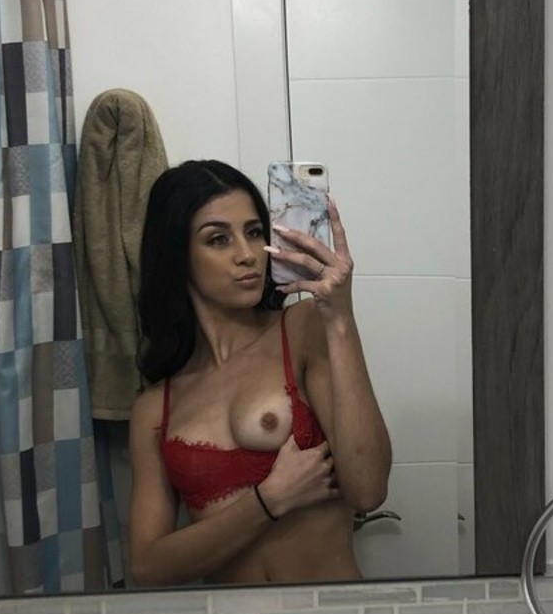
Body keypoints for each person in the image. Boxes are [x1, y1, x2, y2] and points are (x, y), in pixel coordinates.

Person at [128, 159, 391, 587]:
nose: (248, 254)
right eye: (218, 239)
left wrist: (340, 316)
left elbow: (368, 488)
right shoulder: (154, 408)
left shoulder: (303, 329)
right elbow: (147, 568)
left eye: (253, 232)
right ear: (176, 255)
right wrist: (269, 500)